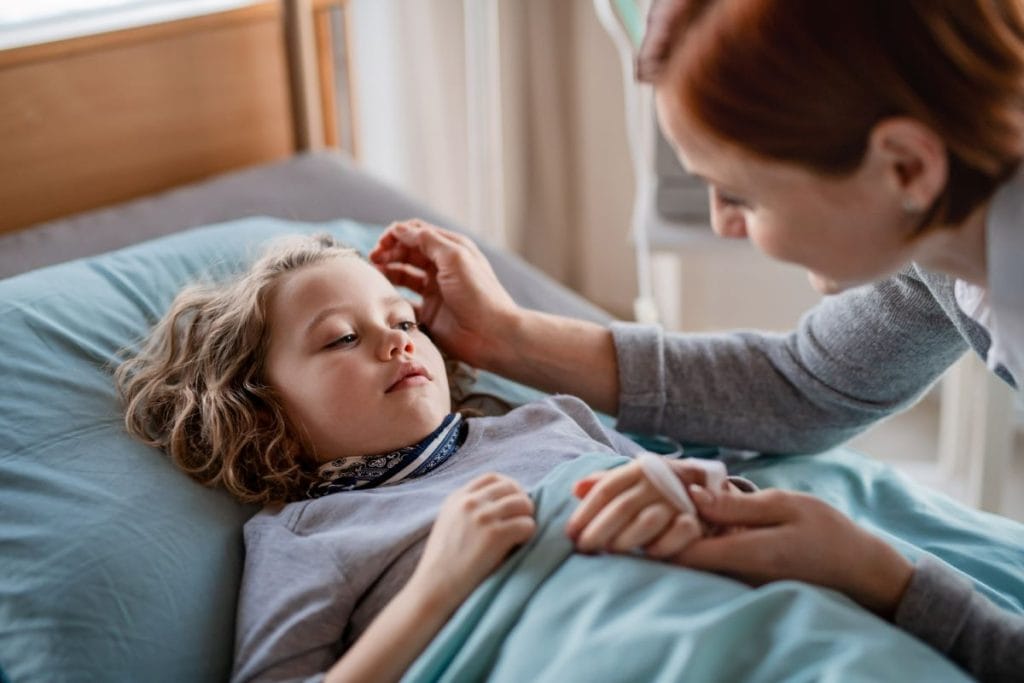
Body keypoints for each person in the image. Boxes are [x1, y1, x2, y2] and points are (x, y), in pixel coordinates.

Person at [366, 1, 1024, 680]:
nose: (722, 221)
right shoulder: (943, 245)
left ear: (906, 166)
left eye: (739, 194)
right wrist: (508, 337)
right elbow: (801, 386)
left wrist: (887, 578)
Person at [115, 233, 747, 683]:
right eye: (343, 337)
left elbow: (728, 502)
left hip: (724, 613)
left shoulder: (552, 419)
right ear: (260, 412)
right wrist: (438, 585)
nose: (396, 339)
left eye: (407, 322)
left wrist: (700, 492)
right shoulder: (310, 537)